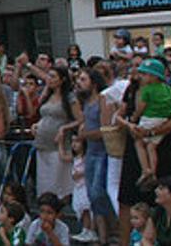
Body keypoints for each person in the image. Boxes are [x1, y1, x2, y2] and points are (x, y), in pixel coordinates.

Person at [76, 69, 114, 243]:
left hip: (102, 152)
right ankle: (101, 234)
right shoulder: (84, 103)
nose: (79, 82)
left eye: (83, 79)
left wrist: (85, 135)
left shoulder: (102, 100)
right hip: (90, 152)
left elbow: (105, 130)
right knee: (92, 194)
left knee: (99, 192)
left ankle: (112, 229)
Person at [33, 67, 79, 201]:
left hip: (58, 146)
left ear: (62, 80)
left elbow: (80, 119)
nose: (49, 79)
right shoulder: (47, 95)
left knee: (59, 184)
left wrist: (64, 128)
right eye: (49, 76)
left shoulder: (70, 98)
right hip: (42, 145)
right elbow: (44, 115)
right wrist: (37, 124)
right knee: (45, 183)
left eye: (53, 77)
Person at [128, 59, 171, 186]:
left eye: (145, 74)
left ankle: (145, 169)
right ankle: (153, 171)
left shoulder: (147, 90)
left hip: (149, 119)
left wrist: (134, 117)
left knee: (139, 142)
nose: (142, 77)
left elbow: (141, 107)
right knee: (151, 146)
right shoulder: (166, 88)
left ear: (154, 76)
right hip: (163, 120)